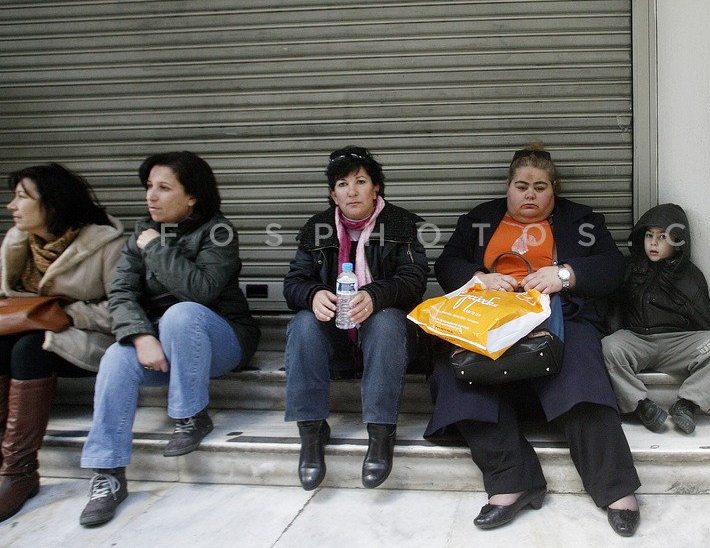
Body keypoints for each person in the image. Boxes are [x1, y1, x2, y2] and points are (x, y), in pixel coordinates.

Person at [425, 144, 641, 538]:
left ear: (553, 189)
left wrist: (564, 275)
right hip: (487, 321)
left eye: (539, 187)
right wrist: (479, 279)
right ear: (507, 187)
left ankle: (615, 487)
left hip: (559, 319)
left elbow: (613, 267)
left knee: (580, 371)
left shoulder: (582, 220)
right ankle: (512, 479)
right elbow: (446, 262)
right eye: (521, 186)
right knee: (452, 373)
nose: (530, 194)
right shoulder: (479, 219)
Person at [78, 151, 260, 526]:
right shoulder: (140, 235)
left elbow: (202, 290)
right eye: (149, 188)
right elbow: (121, 295)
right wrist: (140, 335)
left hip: (223, 339)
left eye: (164, 188)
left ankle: (190, 415)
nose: (151, 197)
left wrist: (155, 248)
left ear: (191, 196)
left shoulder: (217, 232)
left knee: (183, 313)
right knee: (115, 357)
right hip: (164, 343)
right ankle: (107, 473)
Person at [283, 146, 427, 491]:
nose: (352, 191)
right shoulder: (317, 228)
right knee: (303, 323)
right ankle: (312, 432)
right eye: (343, 184)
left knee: (388, 318)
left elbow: (414, 280)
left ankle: (380, 434)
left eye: (360, 181)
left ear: (376, 187)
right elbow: (294, 283)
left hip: (388, 343)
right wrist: (313, 294)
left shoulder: (400, 223)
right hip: (339, 342)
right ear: (333, 193)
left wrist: (375, 295)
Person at [0, 164, 124, 522]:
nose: (12, 205)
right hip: (26, 339)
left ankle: (19, 472)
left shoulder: (104, 243)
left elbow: (124, 311)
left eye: (22, 197)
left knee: (29, 346)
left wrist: (68, 315)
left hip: (86, 342)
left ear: (52, 204)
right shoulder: (15, 243)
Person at [602, 203, 710, 435]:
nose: (653, 243)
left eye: (663, 237)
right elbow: (612, 309)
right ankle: (641, 407)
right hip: (637, 340)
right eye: (649, 235)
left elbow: (706, 319)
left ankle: (686, 405)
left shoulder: (690, 276)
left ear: (678, 242)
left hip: (678, 344)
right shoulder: (630, 269)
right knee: (608, 346)